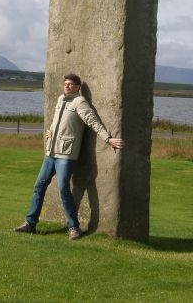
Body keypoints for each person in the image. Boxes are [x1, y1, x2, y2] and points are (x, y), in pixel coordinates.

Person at [13, 73, 125, 240]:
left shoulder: (79, 102)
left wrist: (108, 139)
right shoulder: (60, 99)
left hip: (66, 154)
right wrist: (51, 131)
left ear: (78, 87)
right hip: (51, 152)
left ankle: (74, 227)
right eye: (65, 83)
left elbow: (92, 121)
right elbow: (57, 121)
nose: (67, 86)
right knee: (39, 186)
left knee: (63, 189)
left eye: (71, 84)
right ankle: (30, 223)